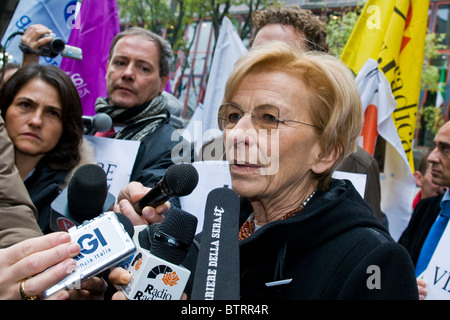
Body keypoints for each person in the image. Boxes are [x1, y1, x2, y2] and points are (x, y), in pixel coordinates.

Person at [111, 42, 418, 299]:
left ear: (326, 152)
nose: (235, 135)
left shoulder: (373, 261)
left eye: (269, 118)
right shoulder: (215, 235)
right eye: (233, 115)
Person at [0, 64, 96, 235]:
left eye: (52, 113)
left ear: (65, 126)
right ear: (4, 109)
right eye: (25, 105)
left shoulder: (69, 200)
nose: (36, 121)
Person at [94, 27, 190, 187]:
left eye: (143, 68)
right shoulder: (80, 131)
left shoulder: (176, 150)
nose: (128, 73)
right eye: (120, 63)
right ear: (107, 69)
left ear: (162, 83)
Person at [398, 121, 450, 299]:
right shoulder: (425, 209)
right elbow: (392, 268)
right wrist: (401, 286)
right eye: (435, 146)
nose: (431, 157)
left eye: (446, 149)